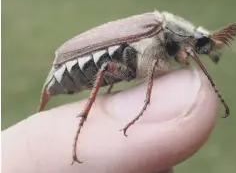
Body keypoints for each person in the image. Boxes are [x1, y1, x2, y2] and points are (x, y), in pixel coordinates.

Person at [2, 68, 218, 173]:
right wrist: (145, 106)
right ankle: (83, 121)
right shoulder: (161, 36)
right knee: (108, 67)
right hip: (80, 63)